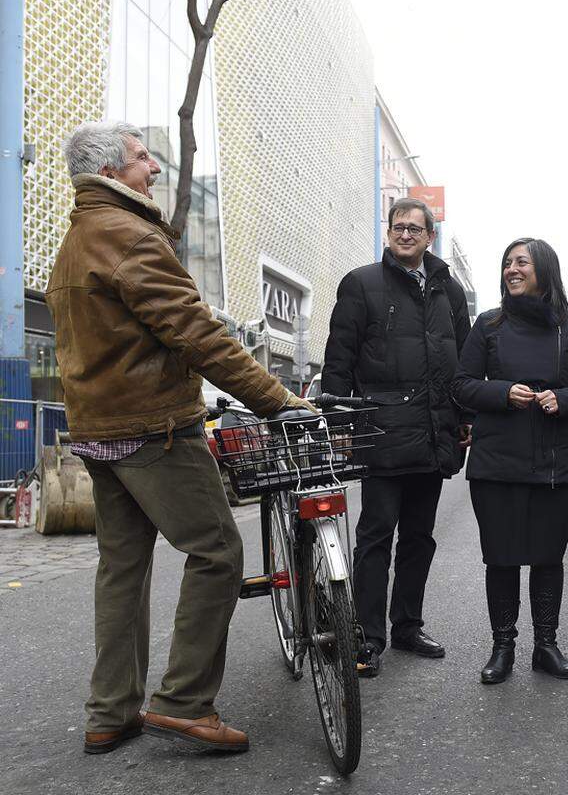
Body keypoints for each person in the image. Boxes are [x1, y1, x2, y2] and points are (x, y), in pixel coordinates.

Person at [48, 121, 312, 754]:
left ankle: (110, 710)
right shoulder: (129, 236)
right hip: (152, 428)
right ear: (110, 173)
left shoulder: (78, 237)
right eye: (143, 159)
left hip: (98, 431)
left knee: (122, 568)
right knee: (218, 550)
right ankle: (184, 700)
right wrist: (277, 400)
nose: (155, 169)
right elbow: (196, 333)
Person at [323, 197, 471, 676]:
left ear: (430, 236)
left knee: (419, 538)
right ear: (388, 232)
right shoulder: (361, 283)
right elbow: (339, 361)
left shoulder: (448, 289)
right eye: (397, 226)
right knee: (375, 537)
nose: (405, 234)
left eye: (414, 228)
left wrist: (464, 416)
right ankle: (368, 636)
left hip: (433, 431)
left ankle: (407, 624)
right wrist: (342, 426)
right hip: (381, 431)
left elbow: (465, 361)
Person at [452, 238, 568, 684]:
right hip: (496, 460)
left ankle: (546, 646)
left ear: (545, 270)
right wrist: (502, 392)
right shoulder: (488, 325)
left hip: (555, 460)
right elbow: (460, 385)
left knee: (547, 556)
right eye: (507, 264)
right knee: (501, 558)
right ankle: (502, 648)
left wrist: (565, 397)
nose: (512, 270)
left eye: (522, 263)